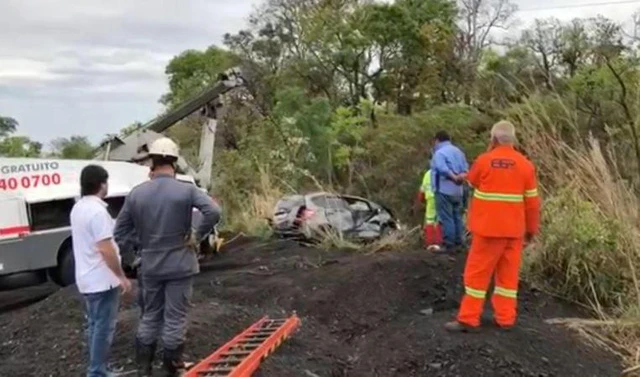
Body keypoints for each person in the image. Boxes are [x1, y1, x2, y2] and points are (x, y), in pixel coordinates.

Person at [114, 137, 220, 377]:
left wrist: (133, 257)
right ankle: (171, 369)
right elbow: (213, 211)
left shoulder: (136, 194)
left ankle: (143, 368)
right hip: (181, 264)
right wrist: (197, 235)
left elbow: (120, 233)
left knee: (150, 316)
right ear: (174, 161)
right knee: (175, 317)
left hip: (150, 266)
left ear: (152, 161)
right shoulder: (186, 189)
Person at [445, 120, 541, 332]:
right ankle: (505, 319)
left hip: (488, 231)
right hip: (514, 232)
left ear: (493, 139)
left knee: (477, 275)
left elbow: (472, 180)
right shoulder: (526, 165)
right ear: (513, 139)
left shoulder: (485, 160)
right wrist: (531, 230)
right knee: (508, 277)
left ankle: (469, 319)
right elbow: (532, 203)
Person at [70, 164, 132, 377]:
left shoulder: (78, 208)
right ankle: (97, 371)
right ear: (102, 184)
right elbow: (106, 248)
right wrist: (121, 276)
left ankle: (99, 368)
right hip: (101, 280)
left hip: (87, 278)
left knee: (94, 325)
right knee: (103, 328)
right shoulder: (98, 211)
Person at [430, 131, 469, 252]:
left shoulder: (439, 153)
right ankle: (460, 242)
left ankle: (449, 244)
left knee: (447, 217)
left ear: (437, 140)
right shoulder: (458, 152)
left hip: (443, 190)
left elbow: (442, 169)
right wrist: (460, 178)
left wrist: (453, 177)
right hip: (458, 191)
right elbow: (466, 169)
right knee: (457, 216)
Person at [418, 164, 442, 251]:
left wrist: (420, 201)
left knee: (430, 221)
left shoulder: (427, 174)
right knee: (439, 220)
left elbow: (422, 190)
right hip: (439, 198)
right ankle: (438, 243)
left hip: (429, 199)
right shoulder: (440, 172)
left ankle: (430, 243)